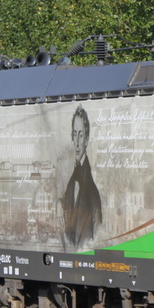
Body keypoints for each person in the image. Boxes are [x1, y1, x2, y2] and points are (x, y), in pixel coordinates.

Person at [62, 105, 102, 248]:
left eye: (81, 135)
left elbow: (96, 234)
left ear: (86, 139)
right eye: (75, 134)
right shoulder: (70, 185)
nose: (77, 142)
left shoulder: (93, 195)